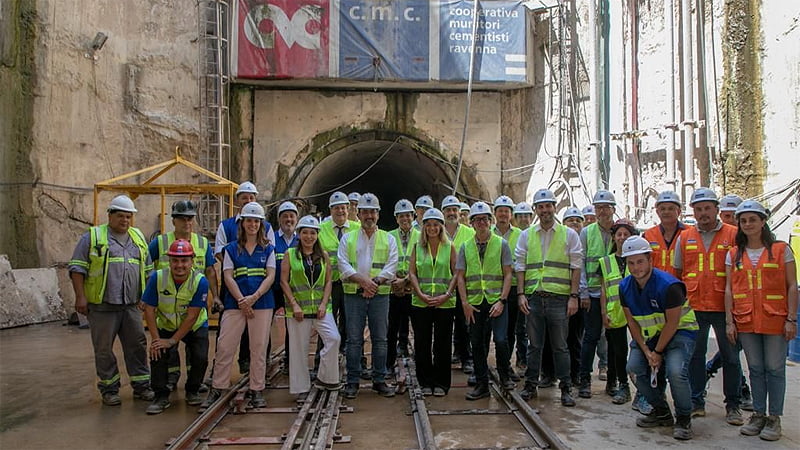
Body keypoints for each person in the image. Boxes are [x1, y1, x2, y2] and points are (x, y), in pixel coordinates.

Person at [68, 194, 154, 406]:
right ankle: (109, 389)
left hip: (131, 305)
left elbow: (149, 271)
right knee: (104, 349)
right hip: (102, 306)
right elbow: (77, 268)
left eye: (128, 217)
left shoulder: (138, 238)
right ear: (110, 215)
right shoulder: (93, 237)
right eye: (121, 216)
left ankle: (142, 386)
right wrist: (80, 297)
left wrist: (147, 298)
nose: (125, 221)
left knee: (137, 346)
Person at [725, 200, 797, 441]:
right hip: (746, 319)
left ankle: (774, 418)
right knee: (755, 368)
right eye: (743, 221)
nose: (747, 224)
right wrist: (729, 321)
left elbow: (791, 287)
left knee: (775, 369)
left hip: (775, 319)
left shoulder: (780, 249)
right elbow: (728, 290)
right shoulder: (734, 254)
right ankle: (758, 414)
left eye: (752, 220)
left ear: (763, 221)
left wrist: (791, 319)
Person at [673, 187, 743, 424]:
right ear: (693, 211)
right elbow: (678, 272)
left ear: (717, 209)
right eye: (699, 209)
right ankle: (696, 401)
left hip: (724, 306)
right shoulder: (685, 237)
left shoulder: (733, 235)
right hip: (694, 305)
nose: (703, 213)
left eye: (707, 208)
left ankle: (733, 405)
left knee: (730, 356)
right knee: (695, 356)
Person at [621, 235, 699, 440]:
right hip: (651, 337)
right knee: (634, 368)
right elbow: (632, 322)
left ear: (650, 260)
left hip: (680, 333)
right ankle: (661, 411)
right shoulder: (625, 287)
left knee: (675, 372)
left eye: (640, 261)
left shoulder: (669, 286)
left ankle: (683, 418)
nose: (636, 267)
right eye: (631, 263)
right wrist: (646, 351)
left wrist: (657, 352)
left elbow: (672, 323)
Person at [202, 202, 275, 410]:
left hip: (261, 303)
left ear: (261, 224)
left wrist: (254, 297)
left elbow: (270, 276)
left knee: (258, 348)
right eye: (249, 220)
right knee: (225, 346)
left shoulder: (267, 249)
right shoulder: (231, 249)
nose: (252, 224)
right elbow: (227, 275)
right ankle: (218, 386)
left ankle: (257, 389)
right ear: (242, 223)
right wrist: (242, 299)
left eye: (256, 221)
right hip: (235, 302)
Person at [516, 189, 582, 406]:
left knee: (560, 346)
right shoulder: (526, 236)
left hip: (559, 299)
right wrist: (521, 294)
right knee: (534, 345)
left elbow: (575, 267)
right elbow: (521, 266)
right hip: (534, 298)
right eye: (541, 206)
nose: (545, 210)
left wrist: (574, 296)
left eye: (548, 206)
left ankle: (565, 388)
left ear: (554, 207)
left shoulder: (569, 234)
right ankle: (530, 385)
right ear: (535, 210)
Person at [148, 200, 218, 393]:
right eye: (181, 218)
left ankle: (193, 386)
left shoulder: (202, 243)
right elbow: (145, 265)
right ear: (173, 220)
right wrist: (144, 293)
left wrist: (216, 296)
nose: (186, 222)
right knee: (164, 352)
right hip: (166, 312)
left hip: (193, 309)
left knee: (197, 354)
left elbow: (210, 271)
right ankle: (167, 385)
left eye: (189, 218)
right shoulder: (160, 243)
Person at [338, 193, 399, 399]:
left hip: (380, 296)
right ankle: (352, 381)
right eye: (365, 212)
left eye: (372, 212)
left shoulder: (388, 239)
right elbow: (343, 264)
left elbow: (392, 265)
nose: (369, 216)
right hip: (354, 295)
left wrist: (374, 283)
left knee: (380, 339)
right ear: (359, 213)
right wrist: (363, 282)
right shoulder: (348, 238)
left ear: (378, 214)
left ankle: (379, 380)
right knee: (354, 340)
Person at [214, 181, 275, 374]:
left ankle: (253, 376)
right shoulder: (226, 225)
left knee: (259, 342)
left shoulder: (266, 226)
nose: (248, 200)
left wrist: (253, 296)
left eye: (251, 197)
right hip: (234, 291)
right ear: (237, 200)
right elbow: (219, 252)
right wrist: (239, 263)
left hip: (260, 294)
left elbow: (269, 256)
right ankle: (218, 381)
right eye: (244, 197)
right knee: (226, 340)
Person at [142, 239, 209, 414]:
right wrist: (156, 340)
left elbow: (192, 316)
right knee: (157, 353)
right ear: (169, 261)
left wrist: (172, 341)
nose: (180, 265)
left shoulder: (200, 281)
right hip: (165, 323)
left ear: (192, 261)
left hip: (194, 325)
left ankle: (192, 390)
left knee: (200, 357)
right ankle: (161, 396)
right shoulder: (157, 278)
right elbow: (149, 310)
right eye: (175, 260)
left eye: (184, 260)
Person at [456, 201, 515, 400]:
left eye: (484, 219)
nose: (481, 223)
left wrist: (502, 300)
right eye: (477, 219)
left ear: (490, 221)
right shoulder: (465, 247)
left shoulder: (501, 244)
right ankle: (482, 384)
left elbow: (508, 274)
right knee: (477, 343)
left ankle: (505, 375)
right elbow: (460, 277)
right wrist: (465, 303)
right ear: (472, 223)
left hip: (496, 300)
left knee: (500, 339)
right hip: (474, 303)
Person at [280, 215, 341, 399]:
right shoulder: (290, 255)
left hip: (321, 309)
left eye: (312, 233)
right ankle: (300, 388)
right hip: (298, 311)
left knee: (333, 338)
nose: (309, 236)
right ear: (299, 235)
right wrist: (294, 304)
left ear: (317, 235)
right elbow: (283, 281)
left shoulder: (323, 256)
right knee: (298, 349)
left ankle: (326, 378)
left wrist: (324, 303)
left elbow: (329, 281)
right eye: (305, 232)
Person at [408, 208, 457, 396]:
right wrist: (420, 293)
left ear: (441, 227)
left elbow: (455, 272)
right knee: (422, 343)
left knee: (442, 344)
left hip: (445, 303)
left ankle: (442, 383)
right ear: (424, 227)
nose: (432, 228)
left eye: (436, 225)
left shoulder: (449, 246)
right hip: (422, 303)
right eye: (428, 225)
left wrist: (447, 294)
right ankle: (425, 382)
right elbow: (412, 272)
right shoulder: (417, 247)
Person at [578, 190, 616, 399]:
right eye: (598, 208)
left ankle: (613, 381)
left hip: (615, 296)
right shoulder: (587, 232)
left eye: (606, 207)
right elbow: (581, 263)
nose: (602, 211)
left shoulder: (621, 231)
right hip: (592, 293)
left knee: (614, 339)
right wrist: (583, 291)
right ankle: (585, 381)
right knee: (590, 337)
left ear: (613, 209)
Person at [598, 219, 638, 404]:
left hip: (637, 313)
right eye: (619, 234)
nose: (622, 238)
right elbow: (604, 289)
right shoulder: (605, 262)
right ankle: (620, 384)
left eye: (626, 234)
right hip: (615, 312)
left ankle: (638, 387)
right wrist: (604, 313)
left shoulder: (638, 260)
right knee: (617, 351)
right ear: (613, 238)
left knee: (639, 349)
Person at [318, 192, 361, 358]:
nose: (341, 211)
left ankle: (355, 359)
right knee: (326, 322)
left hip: (352, 283)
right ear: (331, 210)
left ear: (348, 209)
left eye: (343, 207)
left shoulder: (358, 229)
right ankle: (320, 360)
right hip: (331, 284)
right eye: (337, 208)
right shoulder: (321, 230)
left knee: (352, 323)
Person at [442, 195, 475, 376]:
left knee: (464, 324)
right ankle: (446, 357)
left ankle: (466, 358)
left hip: (463, 286)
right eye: (448, 210)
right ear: (443, 212)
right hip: (443, 286)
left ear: (460, 212)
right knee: (445, 325)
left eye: (454, 210)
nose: (452, 213)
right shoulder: (437, 231)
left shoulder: (469, 232)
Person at [387, 199, 420, 376]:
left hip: (413, 290)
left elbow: (422, 263)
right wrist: (394, 282)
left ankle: (421, 365)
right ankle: (388, 364)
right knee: (390, 329)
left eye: (408, 215)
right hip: (394, 290)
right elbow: (385, 261)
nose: (405, 218)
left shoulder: (421, 236)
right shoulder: (388, 236)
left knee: (419, 329)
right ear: (396, 217)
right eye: (401, 215)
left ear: (413, 216)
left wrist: (406, 281)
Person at [493, 195, 523, 381]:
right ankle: (497, 365)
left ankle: (505, 365)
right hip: (492, 288)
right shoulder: (487, 233)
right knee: (494, 332)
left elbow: (521, 262)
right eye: (500, 211)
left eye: (506, 211)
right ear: (495, 213)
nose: (503, 214)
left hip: (512, 288)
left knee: (510, 330)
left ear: (511, 214)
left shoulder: (520, 235)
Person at [273, 201, 299, 374]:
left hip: (295, 291)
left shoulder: (302, 238)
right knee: (265, 326)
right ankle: (264, 359)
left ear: (297, 219)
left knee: (294, 328)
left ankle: (291, 361)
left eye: (292, 216)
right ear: (279, 219)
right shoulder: (271, 238)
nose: (288, 220)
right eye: (285, 216)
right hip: (273, 290)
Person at [643, 191, 685, 277]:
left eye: (671, 208)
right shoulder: (647, 236)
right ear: (657, 212)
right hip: (656, 286)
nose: (666, 212)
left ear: (679, 211)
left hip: (681, 286)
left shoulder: (689, 233)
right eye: (662, 209)